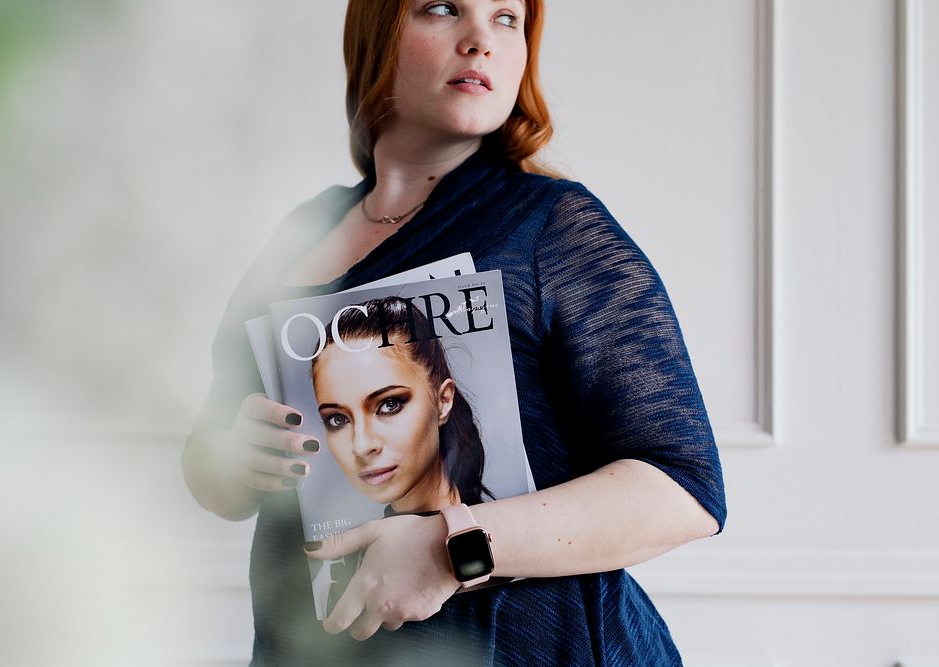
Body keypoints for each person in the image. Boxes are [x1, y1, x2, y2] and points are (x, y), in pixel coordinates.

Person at [182, 0, 727, 664]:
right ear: (379, 31)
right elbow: (210, 472)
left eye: (506, 18)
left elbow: (683, 488)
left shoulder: (551, 225)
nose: (480, 40)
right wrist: (238, 456)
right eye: (443, 9)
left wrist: (454, 546)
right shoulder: (302, 228)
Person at [311, 296, 493, 514]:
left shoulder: (516, 520)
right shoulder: (346, 545)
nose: (361, 446)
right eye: (337, 419)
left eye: (389, 404)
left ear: (443, 401)